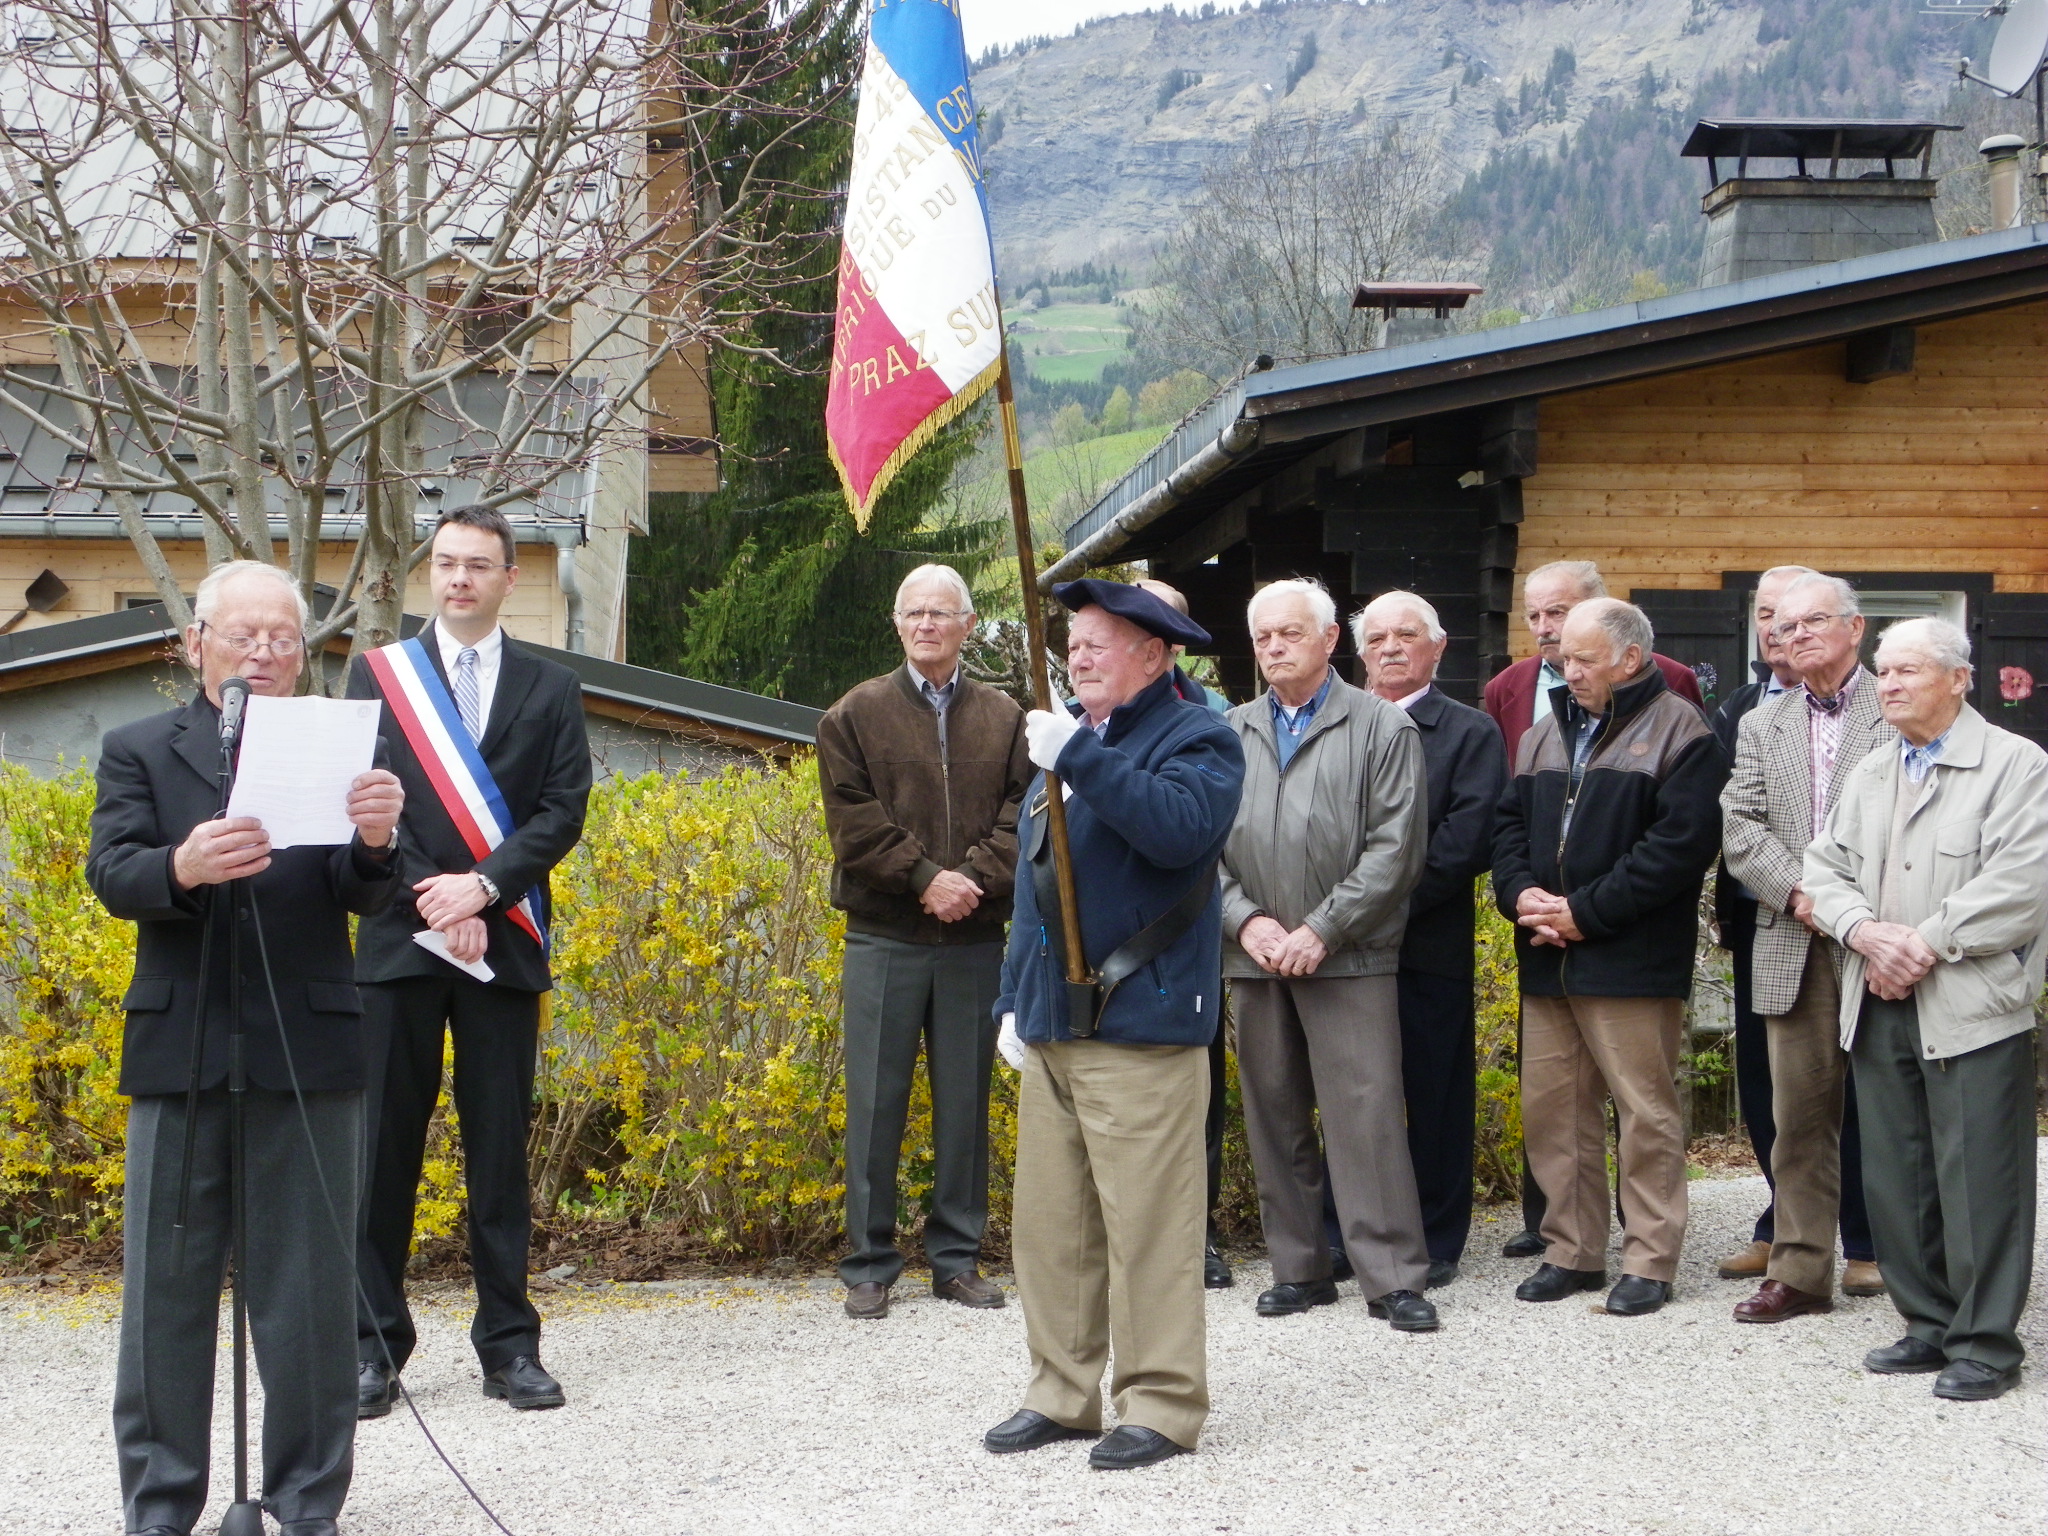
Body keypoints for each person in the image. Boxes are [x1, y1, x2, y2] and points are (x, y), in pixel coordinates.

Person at [88, 561, 404, 1536]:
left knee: (307, 1301)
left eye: (282, 638)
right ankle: (161, 1507)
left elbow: (363, 893)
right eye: (243, 635)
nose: (263, 652)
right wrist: (179, 867)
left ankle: (307, 1504)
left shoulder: (339, 744)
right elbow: (111, 868)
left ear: (303, 653)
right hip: (179, 1051)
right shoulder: (139, 747)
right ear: (197, 646)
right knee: (165, 1303)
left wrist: (378, 845)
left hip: (307, 1053)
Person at [983, 578, 1243, 1471]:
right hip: (1058, 1021)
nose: (1078, 655)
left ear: (1156, 654)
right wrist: (1012, 999)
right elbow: (1036, 889)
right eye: (1075, 641)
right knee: (1055, 1229)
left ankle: (1163, 1405)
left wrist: (1078, 760)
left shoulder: (1198, 735)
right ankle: (1062, 1394)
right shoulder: (1079, 738)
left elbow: (1178, 830)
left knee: (1149, 1228)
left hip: (1142, 1022)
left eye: (1099, 642)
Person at [351, 505, 592, 1415]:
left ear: (509, 577)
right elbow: (365, 802)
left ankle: (509, 1346)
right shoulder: (374, 677)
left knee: (498, 1155)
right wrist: (434, 898)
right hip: (399, 945)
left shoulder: (550, 686)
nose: (459, 578)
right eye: (446, 563)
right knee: (383, 1155)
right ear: (429, 573)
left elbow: (560, 812)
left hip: (504, 942)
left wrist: (482, 892)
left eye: (478, 565)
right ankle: (371, 1347)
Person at [1804, 617, 2048, 1402]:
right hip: (1876, 1000)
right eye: (1883, 672)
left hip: (1972, 1004)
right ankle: (1927, 1325)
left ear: (1959, 679)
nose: (1891, 684)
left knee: (1979, 1177)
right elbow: (1824, 870)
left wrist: (1921, 946)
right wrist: (1867, 934)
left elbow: (2021, 885)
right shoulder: (1872, 772)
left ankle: (1985, 1344)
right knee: (1898, 1172)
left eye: (1908, 670)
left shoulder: (2017, 766)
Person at [1492, 598, 1727, 1318]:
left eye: (1583, 659)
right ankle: (1572, 1250)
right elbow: (1505, 826)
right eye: (1563, 658)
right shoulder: (1542, 733)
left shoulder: (1682, 731)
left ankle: (1650, 1261)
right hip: (1547, 955)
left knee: (1645, 1113)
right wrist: (1522, 895)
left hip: (1630, 958)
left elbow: (1679, 849)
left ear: (1631, 658)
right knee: (1555, 1112)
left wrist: (1584, 913)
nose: (1567, 670)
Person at [1217, 579, 1435, 1329]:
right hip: (1256, 956)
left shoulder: (1380, 727)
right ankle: (1300, 1267)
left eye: (1290, 634)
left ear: (1330, 639)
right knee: (1273, 1115)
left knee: (1364, 1116)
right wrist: (1245, 923)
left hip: (1348, 953)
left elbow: (1396, 849)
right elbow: (1201, 847)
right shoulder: (1230, 730)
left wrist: (1322, 929)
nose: (1274, 648)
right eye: (1263, 637)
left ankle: (1393, 1277)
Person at [815, 563, 1031, 1319]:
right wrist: (923, 879)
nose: (927, 625)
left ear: (969, 625)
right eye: (914, 612)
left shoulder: (1006, 718)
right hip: (885, 935)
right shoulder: (853, 714)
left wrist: (968, 879)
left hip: (974, 937)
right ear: (897, 623)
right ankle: (870, 1263)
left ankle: (956, 1258)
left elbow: (1023, 813)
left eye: (942, 613)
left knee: (965, 1102)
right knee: (876, 1100)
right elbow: (852, 822)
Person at [1720, 574, 1890, 1323]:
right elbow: (1740, 828)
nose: (1797, 638)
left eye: (1814, 622)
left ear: (1856, 628)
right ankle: (1800, 1271)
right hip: (1793, 937)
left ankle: (1917, 1266)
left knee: (1900, 1115)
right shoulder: (1763, 725)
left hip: (1887, 940)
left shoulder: (1901, 704)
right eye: (1784, 629)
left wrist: (1855, 911)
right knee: (1800, 1120)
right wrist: (1800, 895)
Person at [1354, 590, 1508, 1289]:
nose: (1390, 647)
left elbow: (1466, 838)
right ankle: (1345, 1228)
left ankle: (1438, 1236)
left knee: (1436, 1091)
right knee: (1354, 1093)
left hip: (1426, 940)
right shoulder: (1338, 723)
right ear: (1359, 651)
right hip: (1338, 950)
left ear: (1437, 648)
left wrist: (1376, 905)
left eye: (1406, 635)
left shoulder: (1470, 732)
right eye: (1377, 636)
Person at [1709, 565, 1813, 1281]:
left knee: (1845, 1083)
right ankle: (1780, 1223)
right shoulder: (1741, 705)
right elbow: (1728, 816)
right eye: (1766, 613)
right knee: (1764, 1077)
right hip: (1759, 915)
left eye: (1790, 614)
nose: (1775, 628)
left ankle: (1865, 1239)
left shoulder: (1857, 706)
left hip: (1843, 922)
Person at [1136, 577, 1236, 1291]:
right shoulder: (1079, 717)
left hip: (1197, 927)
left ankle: (1195, 1236)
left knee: (1198, 1094)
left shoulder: (1216, 718)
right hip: (1113, 940)